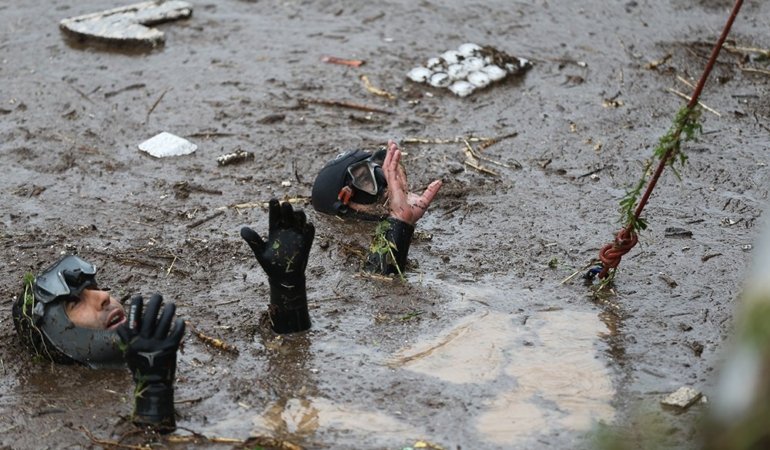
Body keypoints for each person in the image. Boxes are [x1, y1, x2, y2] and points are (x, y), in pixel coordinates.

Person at [12, 255, 185, 431]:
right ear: (57, 336)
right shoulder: (77, 421)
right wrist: (153, 399)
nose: (104, 296)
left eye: (94, 288)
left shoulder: (164, 356)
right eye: (75, 302)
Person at [311, 140, 442, 275]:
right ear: (344, 204)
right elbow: (380, 282)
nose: (382, 178)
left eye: (379, 166)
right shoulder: (346, 252)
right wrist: (399, 221)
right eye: (365, 178)